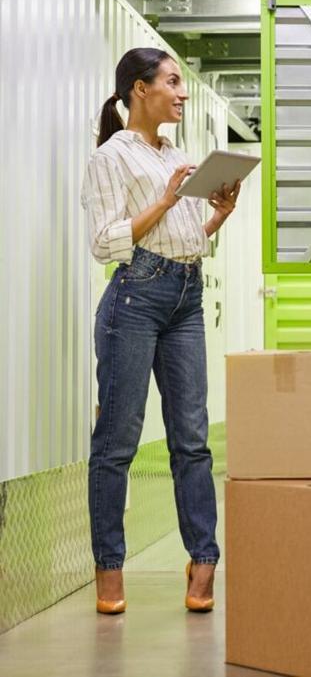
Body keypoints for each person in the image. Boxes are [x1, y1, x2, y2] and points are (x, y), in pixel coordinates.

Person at [80, 48, 240, 615]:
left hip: (186, 296)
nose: (182, 92)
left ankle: (203, 561)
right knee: (117, 443)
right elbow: (105, 242)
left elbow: (187, 234)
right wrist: (167, 198)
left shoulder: (180, 154)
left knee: (191, 441)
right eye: (173, 82)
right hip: (134, 299)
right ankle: (109, 570)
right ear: (139, 89)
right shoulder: (111, 157)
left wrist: (216, 214)